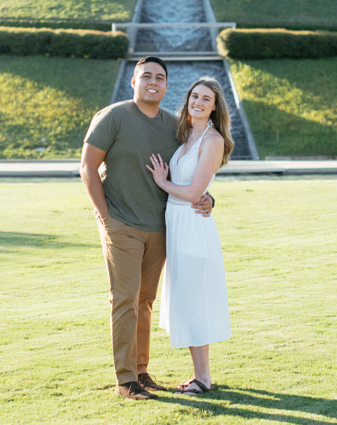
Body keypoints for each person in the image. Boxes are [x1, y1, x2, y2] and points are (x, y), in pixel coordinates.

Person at [79, 56, 215, 401]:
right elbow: (87, 167)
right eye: (146, 76)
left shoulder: (174, 125)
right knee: (124, 300)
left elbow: (188, 171)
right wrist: (104, 214)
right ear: (134, 81)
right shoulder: (113, 117)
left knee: (144, 301)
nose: (153, 82)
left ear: (166, 85)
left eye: (160, 77)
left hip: (160, 226)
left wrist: (208, 196)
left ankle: (141, 370)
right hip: (121, 223)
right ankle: (125, 381)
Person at [146, 76, 234, 396]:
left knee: (194, 302)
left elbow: (196, 190)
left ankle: (203, 378)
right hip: (179, 226)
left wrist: (162, 181)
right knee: (187, 301)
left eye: (205, 99)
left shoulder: (212, 140)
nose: (198, 102)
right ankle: (202, 376)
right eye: (194, 96)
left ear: (214, 107)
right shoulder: (185, 137)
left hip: (193, 229)